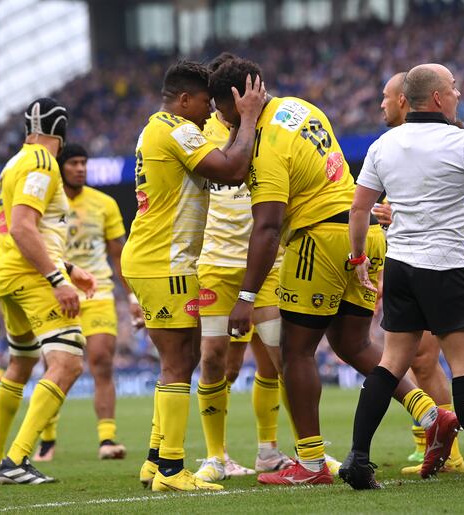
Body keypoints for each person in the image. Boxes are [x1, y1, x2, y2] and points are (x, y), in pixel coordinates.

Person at [216, 58, 447, 487]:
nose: (217, 117)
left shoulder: (266, 142)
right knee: (352, 343)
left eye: (219, 108)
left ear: (237, 101)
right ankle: (431, 413)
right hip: (364, 233)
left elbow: (267, 228)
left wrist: (246, 298)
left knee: (295, 352)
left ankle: (311, 463)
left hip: (317, 238)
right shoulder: (300, 108)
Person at [340, 62, 464, 491]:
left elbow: (359, 209)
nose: (459, 94)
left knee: (391, 362)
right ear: (437, 98)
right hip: (446, 267)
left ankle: (357, 458)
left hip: (401, 266)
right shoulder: (461, 140)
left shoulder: (383, 145)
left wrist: (358, 259)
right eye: (454, 87)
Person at [122, 60, 266, 492]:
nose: (210, 112)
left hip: (156, 257)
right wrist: (250, 119)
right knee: (178, 362)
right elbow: (232, 168)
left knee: (179, 360)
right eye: (205, 102)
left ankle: (154, 462)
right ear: (184, 100)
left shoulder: (155, 128)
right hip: (165, 261)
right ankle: (170, 469)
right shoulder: (178, 129)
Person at [0, 98, 97, 484]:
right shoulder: (42, 163)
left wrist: (68, 267)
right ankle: (16, 460)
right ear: (61, 131)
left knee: (21, 364)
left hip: (8, 275)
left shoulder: (13, 163)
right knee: (68, 362)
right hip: (32, 277)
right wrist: (56, 279)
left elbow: (20, 229)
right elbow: (23, 227)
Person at [194, 54, 291, 482]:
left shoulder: (280, 123)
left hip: (267, 261)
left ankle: (273, 450)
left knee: (283, 357)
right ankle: (216, 455)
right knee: (214, 359)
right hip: (216, 260)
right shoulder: (201, 129)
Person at [379, 71, 464, 474]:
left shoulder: (440, 136)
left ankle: (451, 450)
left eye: (386, 97)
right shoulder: (395, 146)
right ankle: (431, 444)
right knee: (420, 358)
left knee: (429, 357)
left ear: (403, 101)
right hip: (414, 260)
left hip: (439, 261)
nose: (381, 105)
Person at [29, 143, 138, 463]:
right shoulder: (47, 204)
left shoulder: (104, 204)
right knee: (54, 366)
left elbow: (118, 254)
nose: (80, 168)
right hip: (58, 291)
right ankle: (47, 440)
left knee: (102, 361)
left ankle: (107, 438)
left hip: (98, 291)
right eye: (74, 163)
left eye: (83, 163)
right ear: (60, 167)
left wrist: (131, 296)